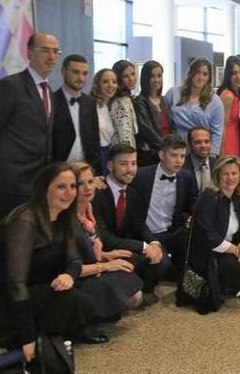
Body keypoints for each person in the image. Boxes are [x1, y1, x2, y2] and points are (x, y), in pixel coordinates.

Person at [0, 163, 97, 362]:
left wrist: (69, 274)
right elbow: (15, 284)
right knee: (66, 302)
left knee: (83, 304)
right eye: (61, 186)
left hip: (33, 289)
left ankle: (19, 339)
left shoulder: (64, 216)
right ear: (44, 188)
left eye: (73, 186)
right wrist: (28, 339)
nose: (69, 193)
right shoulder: (25, 222)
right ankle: (20, 341)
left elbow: (74, 259)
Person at [0, 33, 59, 219]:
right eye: (45, 51)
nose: (52, 57)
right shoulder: (10, 87)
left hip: (38, 182)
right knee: (14, 241)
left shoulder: (49, 92)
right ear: (29, 53)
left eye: (55, 51)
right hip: (10, 183)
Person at [185, 156, 240, 313]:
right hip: (210, 253)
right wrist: (238, 251)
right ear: (217, 175)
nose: (230, 178)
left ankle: (232, 283)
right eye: (225, 174)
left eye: (234, 173)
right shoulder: (209, 197)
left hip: (232, 245)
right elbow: (208, 236)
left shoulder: (239, 196)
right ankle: (223, 282)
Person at [91, 143, 169, 304]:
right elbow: (104, 236)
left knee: (162, 258)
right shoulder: (96, 193)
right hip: (103, 248)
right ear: (110, 166)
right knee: (137, 258)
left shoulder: (133, 193)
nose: (130, 169)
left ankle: (144, 289)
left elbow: (139, 225)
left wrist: (154, 244)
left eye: (133, 163)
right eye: (123, 164)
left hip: (125, 243)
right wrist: (144, 247)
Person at [70, 162, 143, 321]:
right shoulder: (67, 218)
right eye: (80, 184)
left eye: (90, 182)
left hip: (92, 265)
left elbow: (87, 248)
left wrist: (105, 255)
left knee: (134, 291)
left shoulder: (88, 208)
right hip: (75, 277)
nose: (88, 188)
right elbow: (70, 265)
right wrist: (105, 265)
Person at [131, 134, 198, 287]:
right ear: (161, 155)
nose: (179, 160)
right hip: (146, 234)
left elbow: (192, 204)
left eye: (182, 156)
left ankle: (189, 285)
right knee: (160, 266)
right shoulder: (141, 176)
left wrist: (190, 217)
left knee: (193, 241)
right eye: (173, 155)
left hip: (171, 232)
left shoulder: (186, 177)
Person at [52, 54, 101, 171]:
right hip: (59, 169)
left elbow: (94, 140)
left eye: (85, 73)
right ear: (63, 71)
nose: (81, 78)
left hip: (85, 168)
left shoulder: (90, 102)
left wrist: (96, 171)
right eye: (75, 72)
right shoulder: (52, 100)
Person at [166, 58, 224, 153]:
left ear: (209, 78)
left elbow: (217, 133)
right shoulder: (174, 93)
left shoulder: (215, 101)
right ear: (190, 73)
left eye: (205, 74)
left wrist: (213, 155)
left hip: (201, 148)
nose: (200, 77)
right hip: (176, 146)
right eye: (197, 73)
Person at [134, 60, 172, 167]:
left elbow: (172, 126)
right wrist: (165, 148)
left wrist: (172, 146)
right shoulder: (140, 101)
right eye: (152, 76)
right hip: (151, 155)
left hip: (168, 153)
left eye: (159, 76)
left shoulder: (164, 100)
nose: (156, 80)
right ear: (145, 78)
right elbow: (146, 130)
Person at [91, 69, 118, 176]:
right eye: (105, 82)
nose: (110, 85)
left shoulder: (108, 107)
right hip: (95, 155)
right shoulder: (91, 106)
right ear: (98, 84)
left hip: (107, 154)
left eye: (114, 82)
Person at [216, 56, 240, 156]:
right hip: (228, 141)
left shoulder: (236, 95)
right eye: (234, 73)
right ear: (228, 75)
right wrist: (222, 153)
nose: (238, 77)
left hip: (235, 138)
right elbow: (222, 126)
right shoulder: (228, 96)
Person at [110, 59, 139, 148]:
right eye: (125, 76)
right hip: (122, 151)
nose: (131, 79)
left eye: (133, 74)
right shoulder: (120, 102)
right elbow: (125, 134)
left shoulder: (126, 98)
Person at [183, 127, 218, 193]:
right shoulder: (181, 166)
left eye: (206, 141)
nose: (203, 146)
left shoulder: (218, 164)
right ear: (189, 144)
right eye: (198, 142)